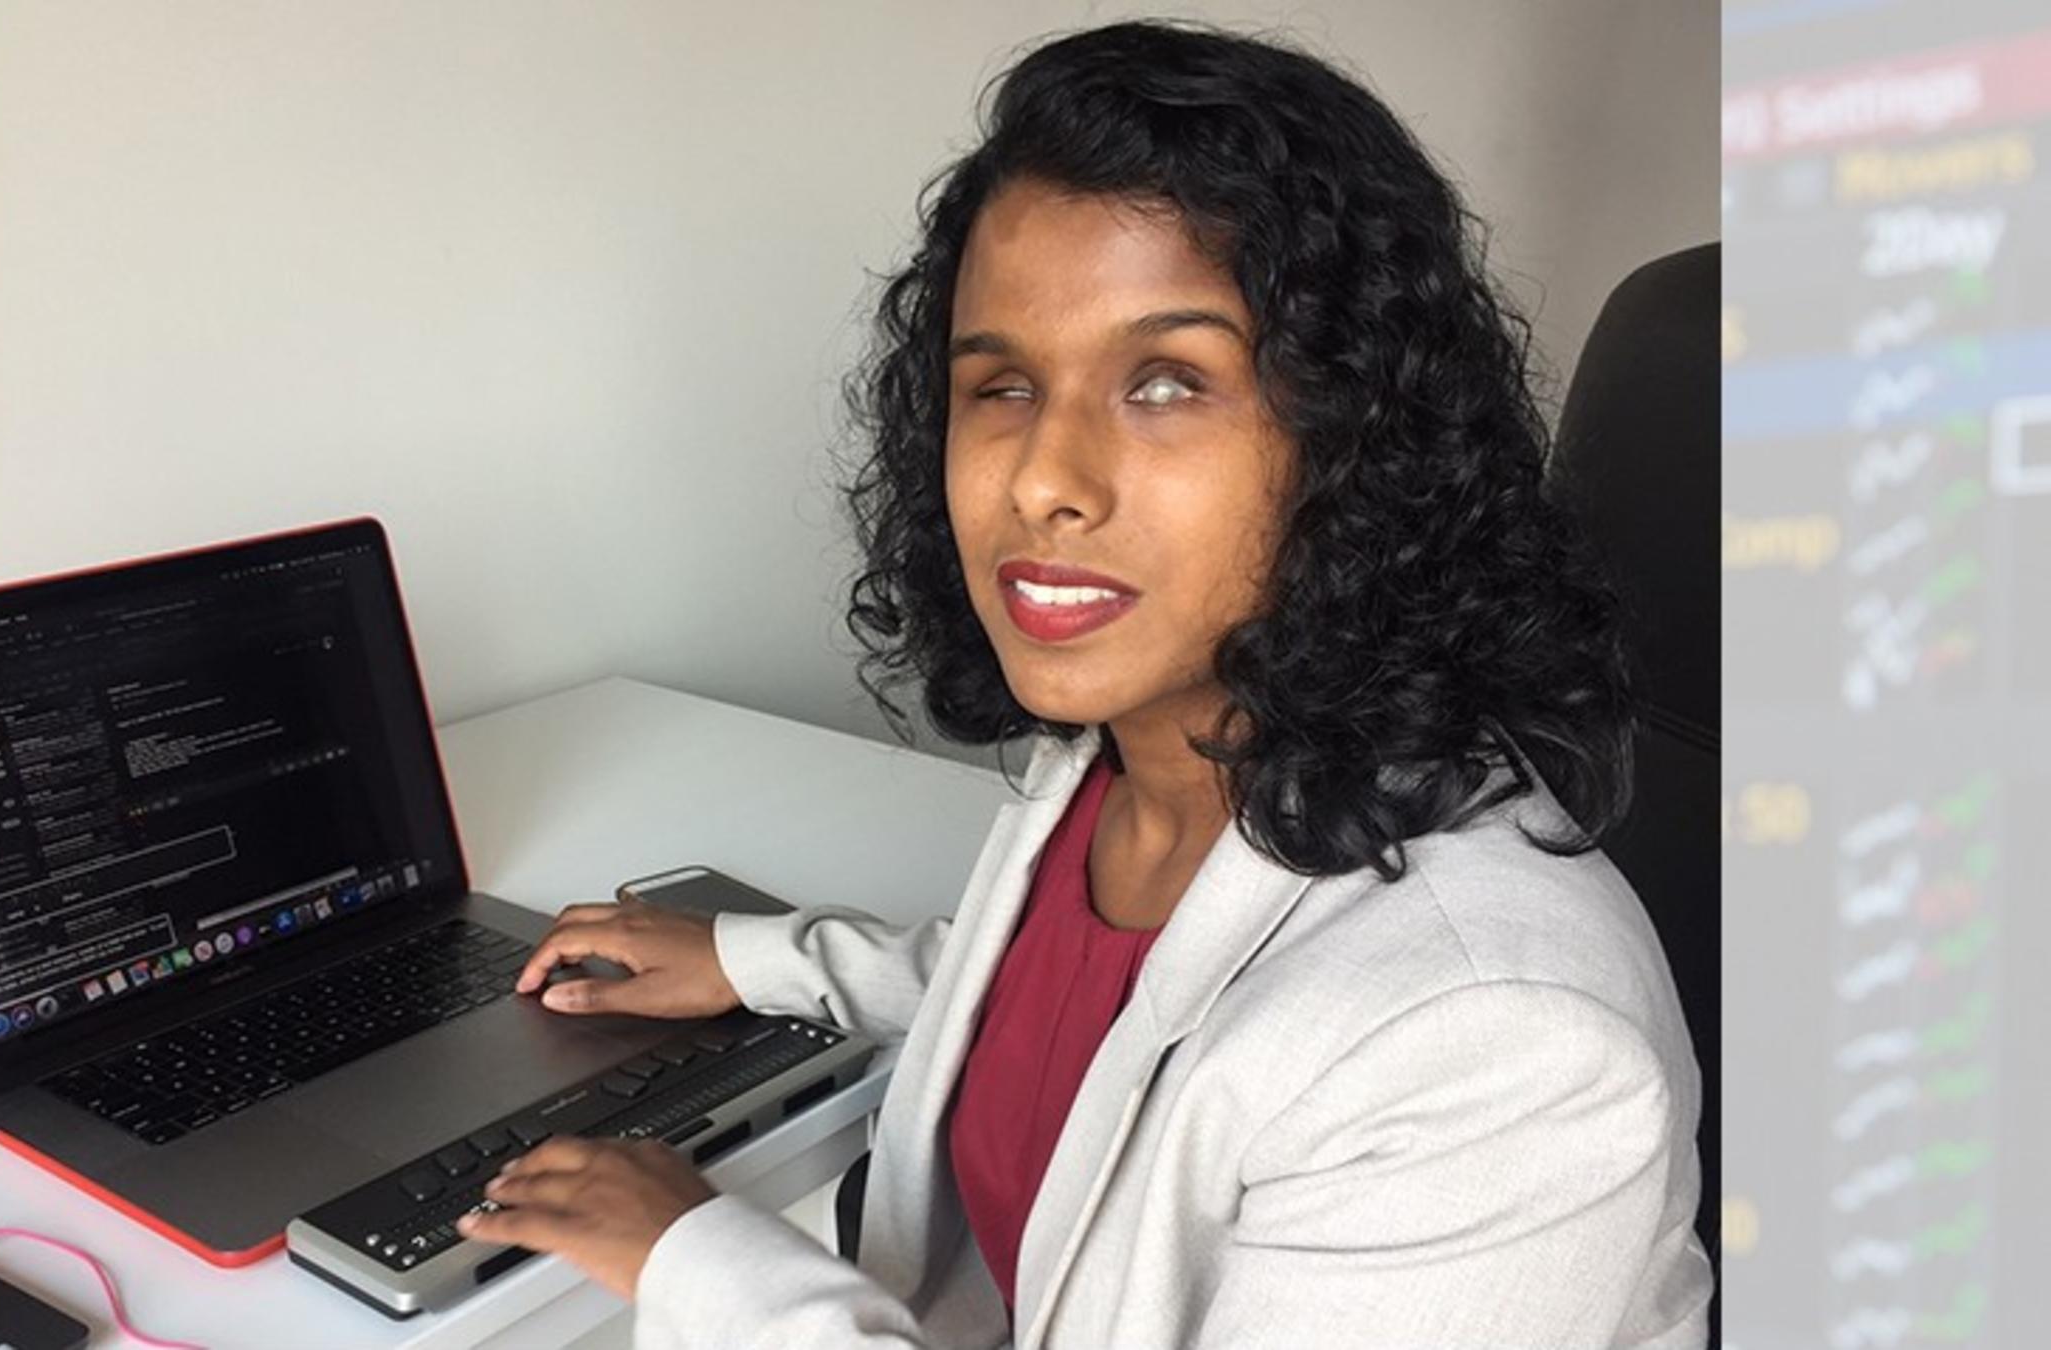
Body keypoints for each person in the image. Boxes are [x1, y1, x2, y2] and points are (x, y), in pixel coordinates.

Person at [455, 20, 1713, 1349]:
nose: (1043, 477)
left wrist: (702, 1258)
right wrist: (761, 958)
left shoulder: (1497, 1050)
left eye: (1165, 382)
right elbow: (1076, 1005)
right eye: (1001, 385)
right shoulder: (1133, 759)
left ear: (1355, 434)